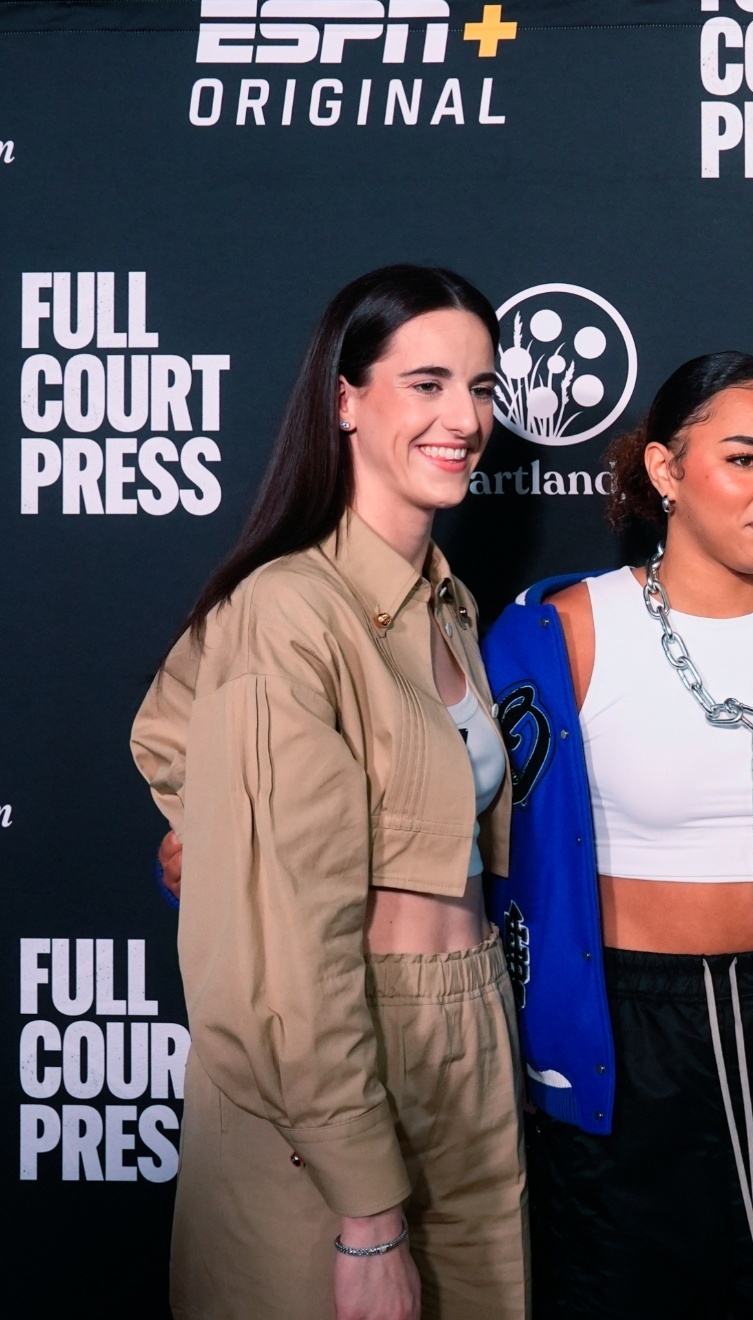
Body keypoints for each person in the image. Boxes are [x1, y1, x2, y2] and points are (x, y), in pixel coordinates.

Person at [480, 352, 753, 1318]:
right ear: (665, 472)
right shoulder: (564, 631)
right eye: (746, 459)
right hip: (630, 1030)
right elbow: (462, 824)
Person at [130, 265, 525, 1319]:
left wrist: (215, 834)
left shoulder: (449, 604)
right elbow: (292, 948)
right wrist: (367, 1216)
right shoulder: (286, 610)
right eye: (428, 383)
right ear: (346, 399)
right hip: (339, 1053)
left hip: (471, 1032)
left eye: (482, 389)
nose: (465, 419)